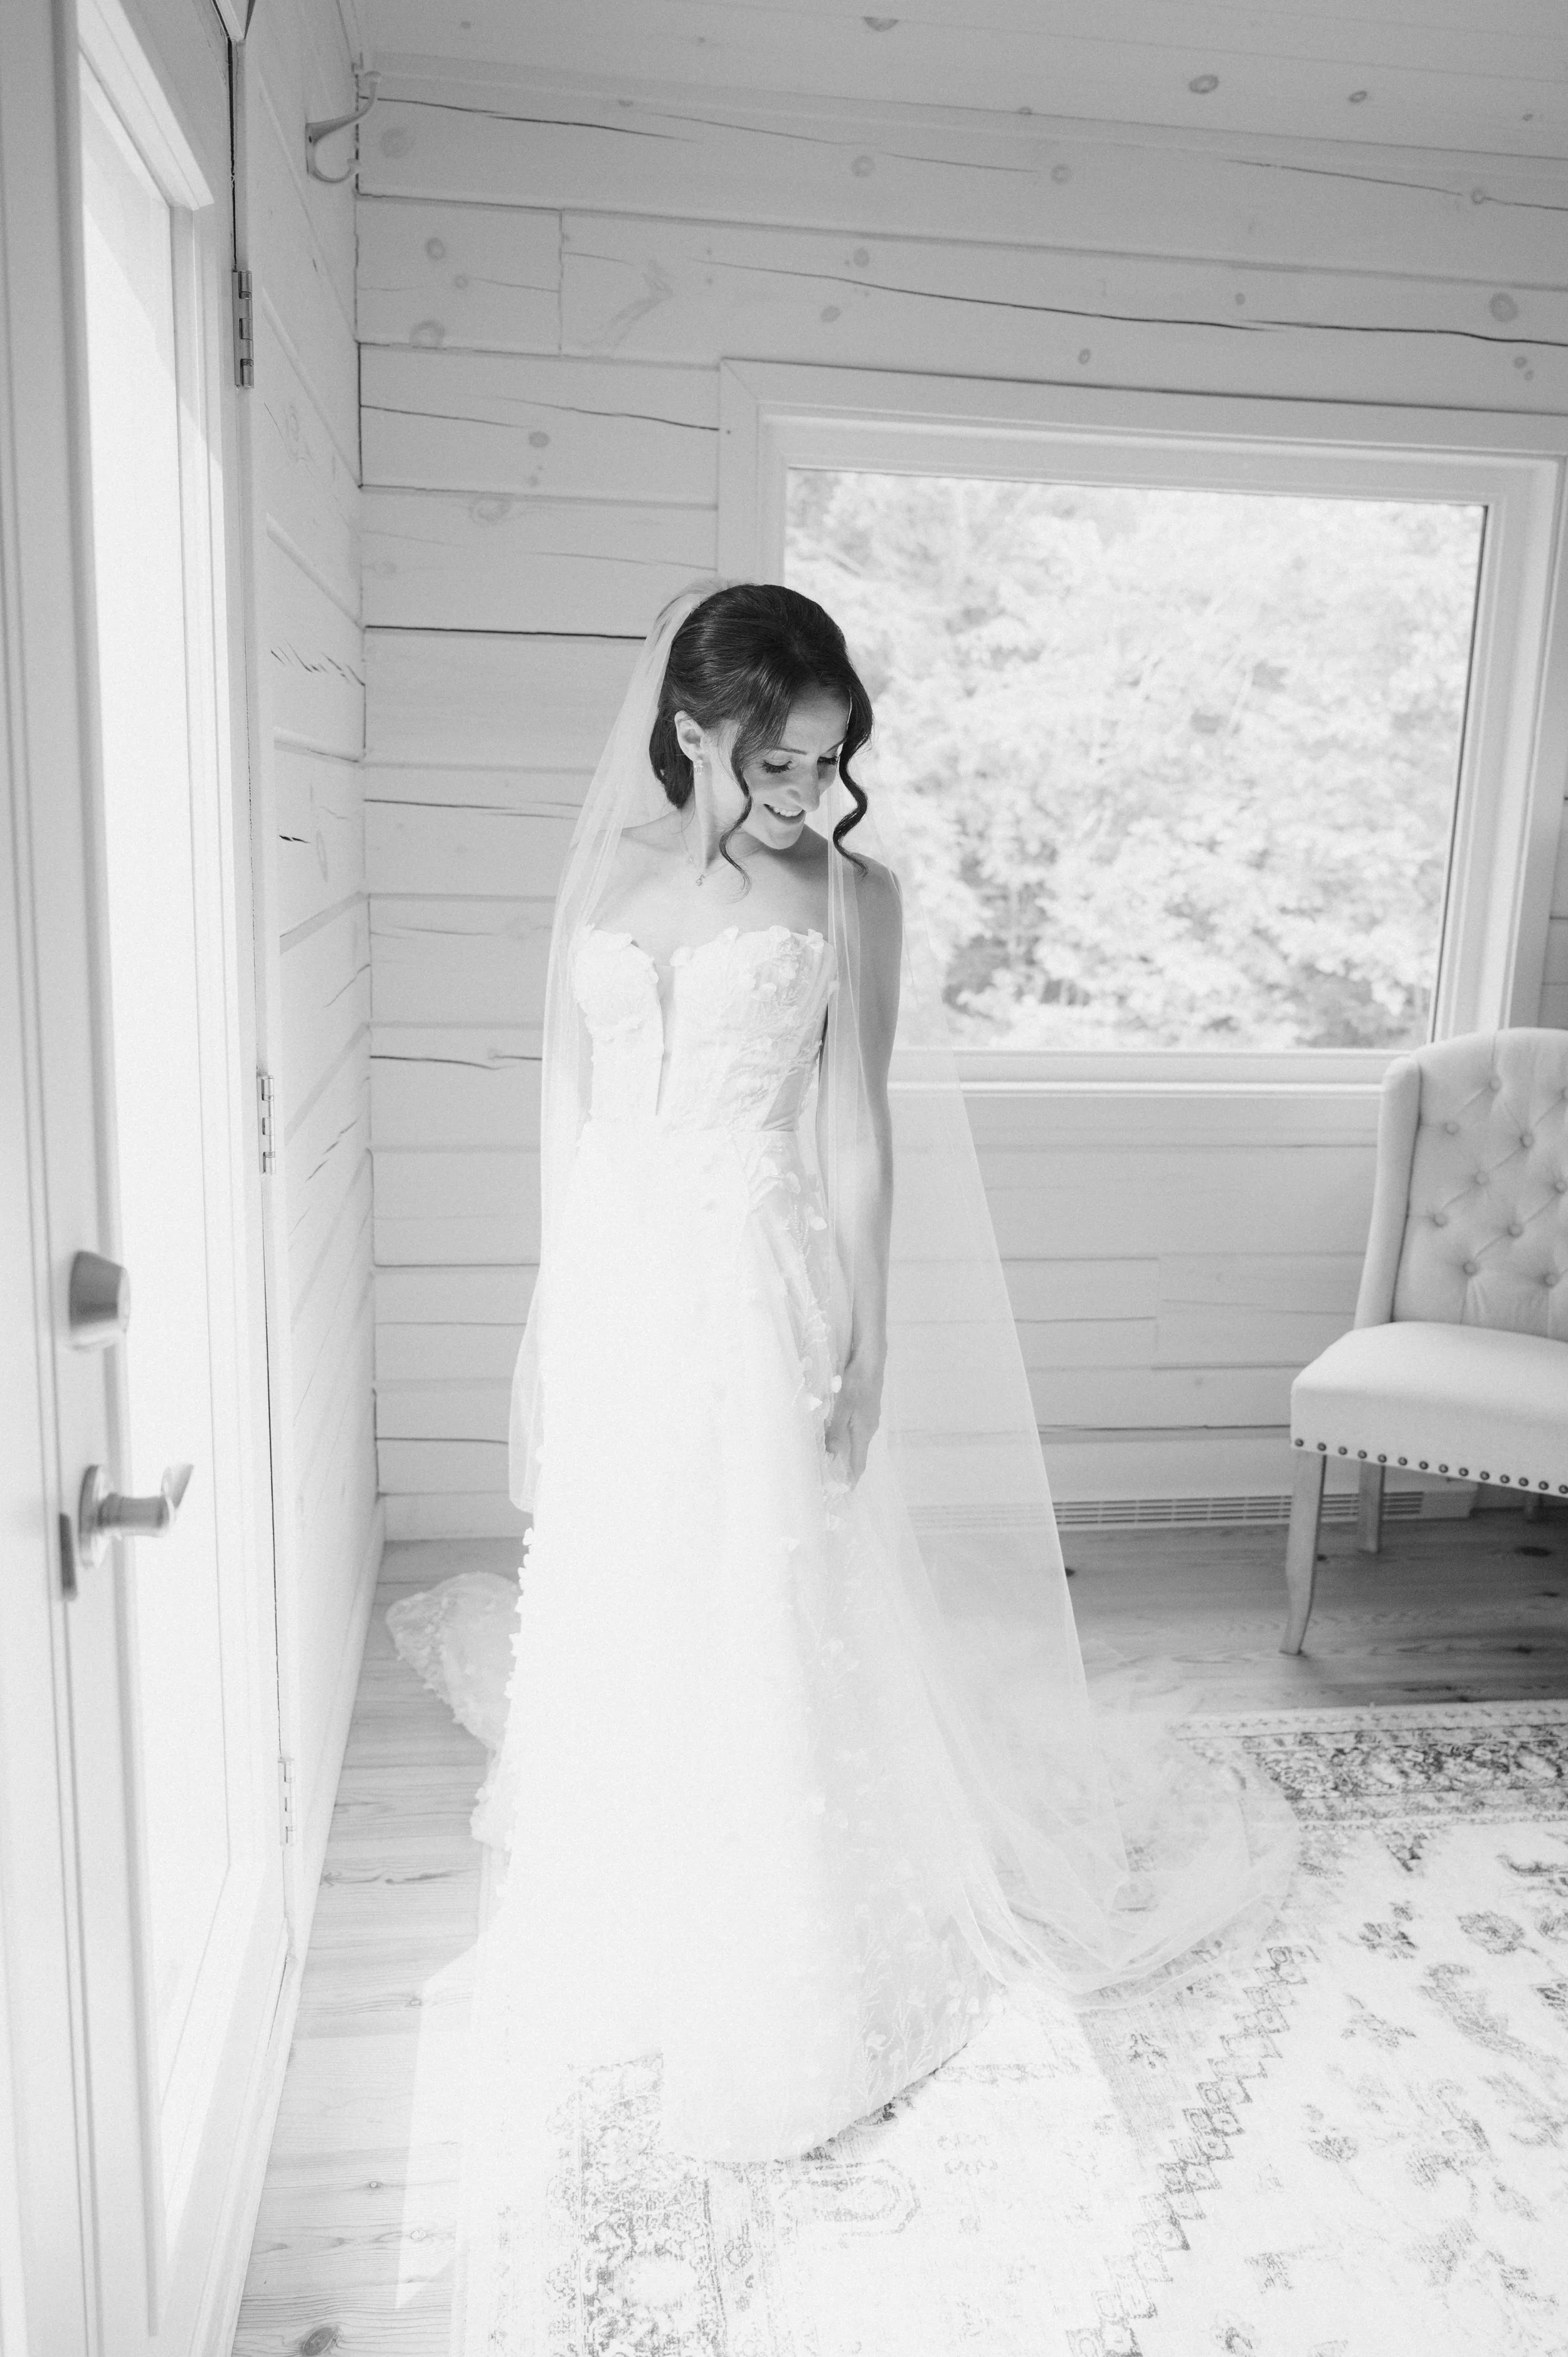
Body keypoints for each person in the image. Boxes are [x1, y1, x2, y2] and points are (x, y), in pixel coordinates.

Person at [386, 580, 1299, 2348]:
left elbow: (854, 1128)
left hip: (752, 1281)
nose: (807, 788)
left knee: (758, 1605)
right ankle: (631, 1905)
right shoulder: (606, 876)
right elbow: (572, 1116)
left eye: (826, 758)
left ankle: (789, 1947)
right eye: (775, 756)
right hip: (625, 1285)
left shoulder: (853, 899)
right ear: (687, 731)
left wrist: (864, 1331)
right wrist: (557, 1316)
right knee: (633, 1596)